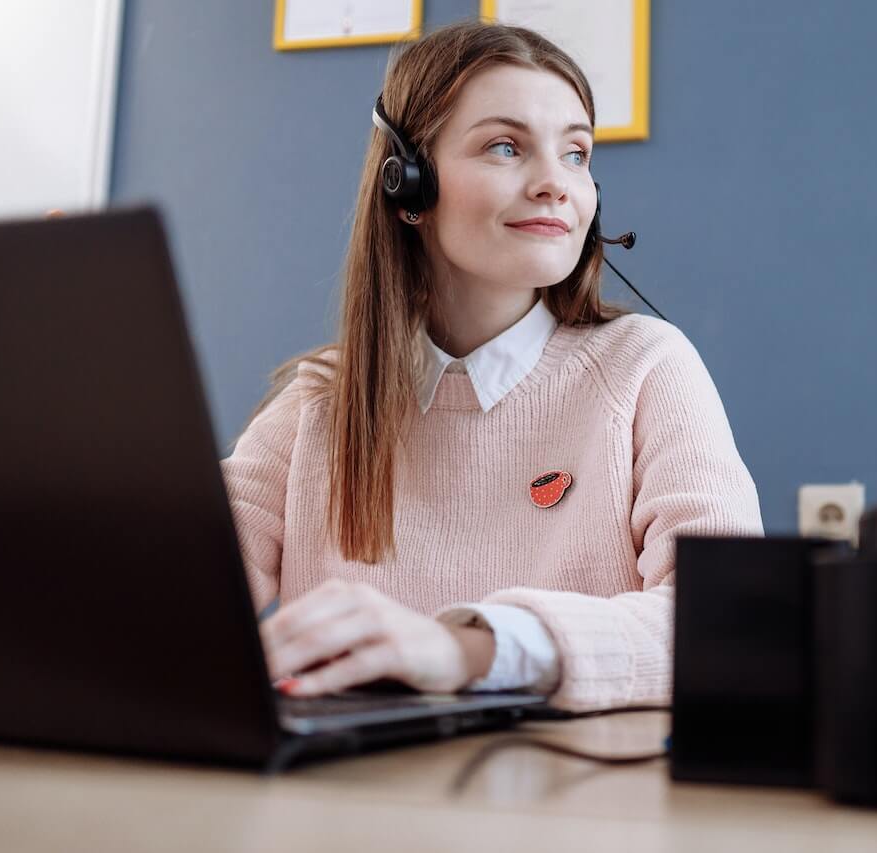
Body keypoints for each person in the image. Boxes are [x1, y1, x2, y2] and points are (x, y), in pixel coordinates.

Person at [221, 21, 763, 711]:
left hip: (581, 808)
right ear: (407, 185)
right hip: (347, 801)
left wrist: (469, 648)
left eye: (575, 153)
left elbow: (732, 620)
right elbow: (171, 595)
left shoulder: (647, 368)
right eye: (506, 147)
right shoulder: (320, 403)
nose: (553, 184)